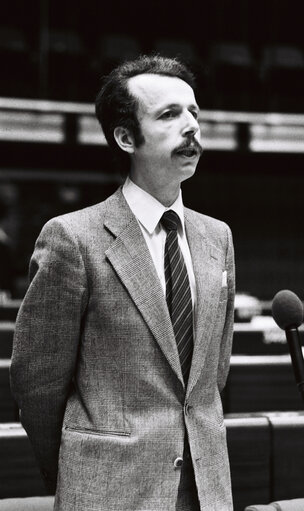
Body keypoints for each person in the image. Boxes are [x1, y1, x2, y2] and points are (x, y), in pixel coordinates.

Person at [10, 55, 235, 511]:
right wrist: (78, 466)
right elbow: (37, 382)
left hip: (205, 487)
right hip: (106, 488)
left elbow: (214, 373)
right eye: (169, 114)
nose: (191, 126)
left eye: (194, 112)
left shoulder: (218, 237)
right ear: (126, 137)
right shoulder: (73, 238)